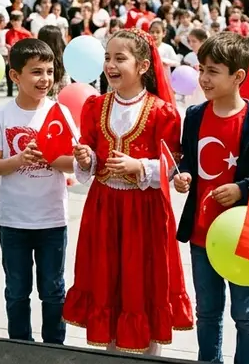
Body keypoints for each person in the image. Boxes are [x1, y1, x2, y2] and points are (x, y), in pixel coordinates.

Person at [63, 28, 193, 355]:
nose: (111, 65)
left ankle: (148, 350)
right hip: (105, 206)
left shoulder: (163, 113)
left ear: (144, 67)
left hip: (144, 211)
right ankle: (110, 348)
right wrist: (87, 157)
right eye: (107, 57)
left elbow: (172, 164)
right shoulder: (94, 106)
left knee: (143, 278)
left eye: (120, 58)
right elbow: (92, 154)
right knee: (107, 277)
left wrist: (141, 168)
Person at [171, 32, 249, 364]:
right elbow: (188, 158)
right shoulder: (196, 115)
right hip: (202, 234)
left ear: (238, 76)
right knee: (208, 311)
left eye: (213, 71)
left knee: (246, 314)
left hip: (242, 235)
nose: (204, 78)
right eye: (201, 69)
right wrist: (182, 174)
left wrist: (241, 189)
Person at [0, 39, 76, 344]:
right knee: (17, 291)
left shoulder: (60, 113)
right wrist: (20, 159)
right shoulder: (1, 116)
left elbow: (73, 164)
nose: (44, 79)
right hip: (14, 222)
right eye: (36, 72)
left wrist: (50, 157)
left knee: (53, 289)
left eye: (49, 71)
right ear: (15, 76)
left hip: (51, 220)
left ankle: (53, 346)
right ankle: (20, 345)